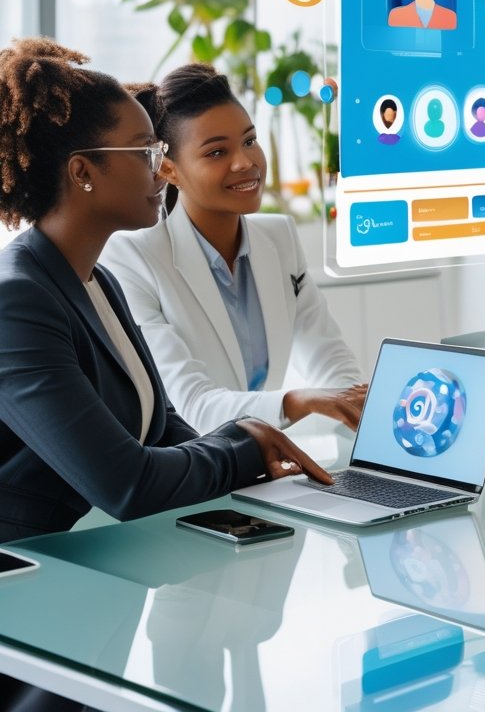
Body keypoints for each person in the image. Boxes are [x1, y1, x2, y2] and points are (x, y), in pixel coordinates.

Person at [0, 39, 331, 712]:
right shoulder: (19, 300)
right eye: (146, 151)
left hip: (94, 583)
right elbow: (128, 482)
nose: (162, 168)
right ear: (84, 172)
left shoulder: (97, 284)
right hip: (25, 611)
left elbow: (168, 431)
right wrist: (246, 443)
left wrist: (253, 448)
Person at [101, 64, 367, 435]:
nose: (245, 162)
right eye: (216, 153)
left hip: (263, 463)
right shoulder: (132, 260)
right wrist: (299, 401)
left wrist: (362, 411)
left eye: (249, 140)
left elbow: (331, 362)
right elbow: (192, 405)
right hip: (187, 472)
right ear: (169, 170)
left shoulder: (280, 237)